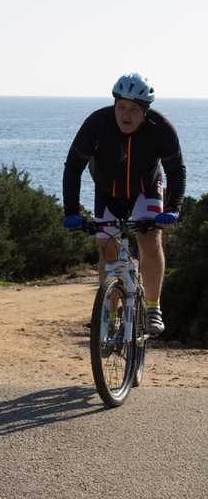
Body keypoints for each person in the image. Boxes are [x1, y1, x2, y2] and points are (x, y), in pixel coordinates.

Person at [62, 72, 186, 334]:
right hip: (108, 192)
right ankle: (109, 314)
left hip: (147, 190)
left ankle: (153, 307)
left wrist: (173, 209)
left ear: (145, 112)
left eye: (133, 109)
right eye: (121, 107)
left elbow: (176, 171)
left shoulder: (160, 127)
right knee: (107, 253)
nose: (125, 114)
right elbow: (73, 168)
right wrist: (71, 212)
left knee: (150, 240)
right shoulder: (97, 123)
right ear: (114, 106)